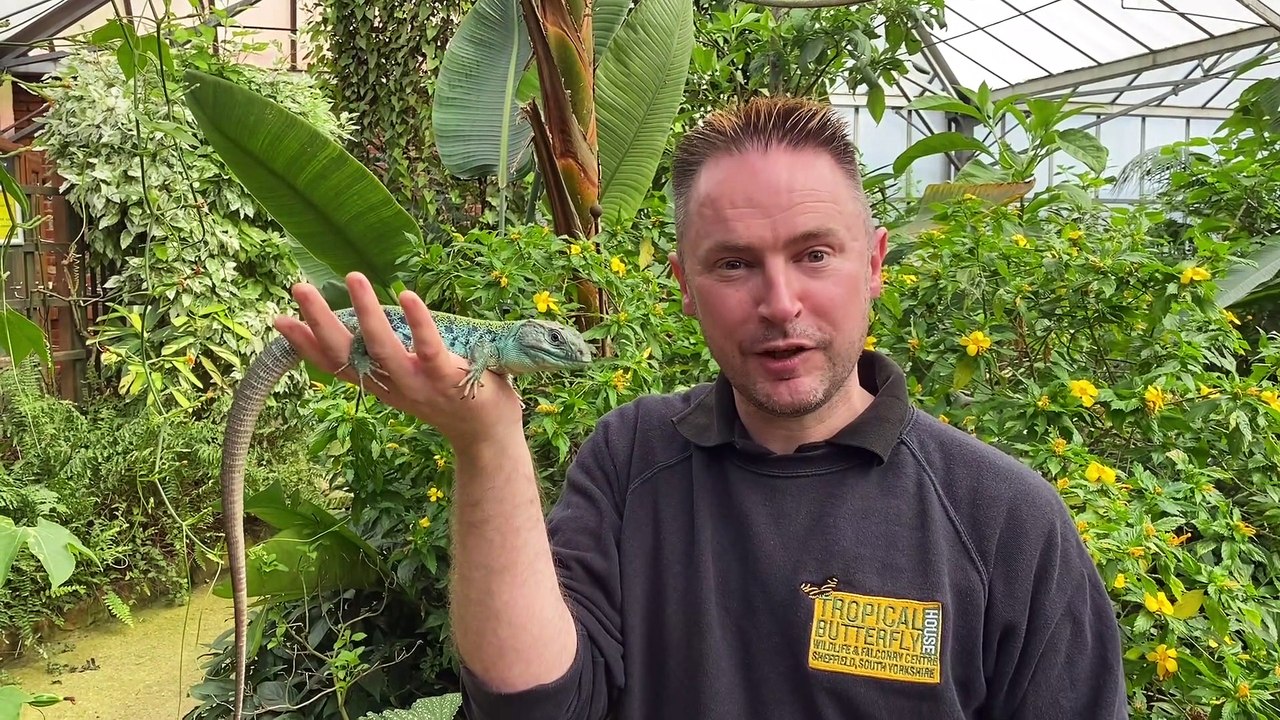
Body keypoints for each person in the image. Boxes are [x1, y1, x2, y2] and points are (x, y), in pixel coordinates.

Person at [275, 95, 1130, 719]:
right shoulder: (632, 456)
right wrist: (487, 440)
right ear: (685, 285)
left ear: (874, 265)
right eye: (733, 264)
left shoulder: (1004, 519)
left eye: (815, 254)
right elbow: (537, 707)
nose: (780, 304)